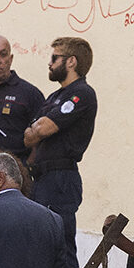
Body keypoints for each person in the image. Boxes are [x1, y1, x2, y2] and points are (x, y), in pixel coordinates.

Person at [24, 37, 97, 252]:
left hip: (61, 177)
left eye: (55, 58)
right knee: (42, 240)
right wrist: (38, 129)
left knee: (61, 242)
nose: (50, 63)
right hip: (43, 177)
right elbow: (28, 136)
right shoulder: (55, 96)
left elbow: (41, 130)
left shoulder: (82, 93)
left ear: (71, 62)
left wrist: (39, 129)